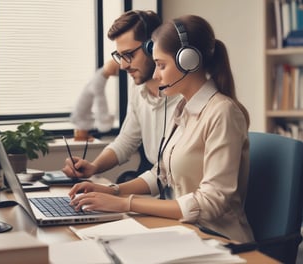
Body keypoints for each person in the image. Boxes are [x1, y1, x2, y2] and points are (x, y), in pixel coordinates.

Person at [68, 14, 255, 243]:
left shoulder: (222, 113)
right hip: (183, 231)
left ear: (188, 62)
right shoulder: (183, 110)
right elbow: (161, 174)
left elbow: (211, 202)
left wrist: (125, 202)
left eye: (161, 65)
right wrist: (113, 191)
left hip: (219, 239)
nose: (156, 75)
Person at [64, 10, 181, 182]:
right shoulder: (138, 90)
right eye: (120, 56)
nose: (124, 65)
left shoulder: (185, 96)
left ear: (152, 48)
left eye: (130, 55)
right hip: (157, 187)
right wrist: (93, 167)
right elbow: (126, 140)